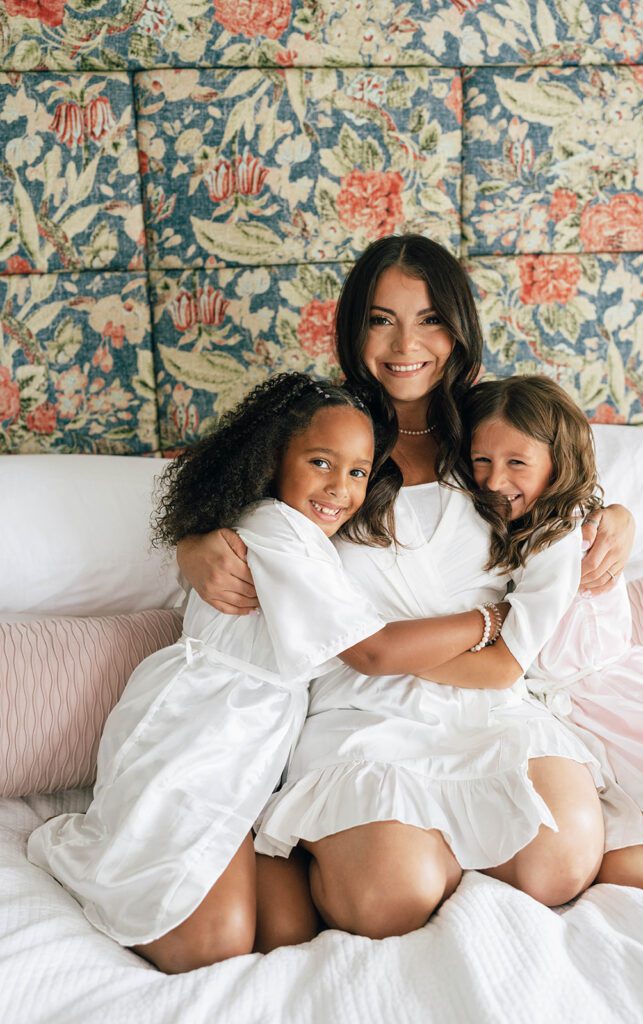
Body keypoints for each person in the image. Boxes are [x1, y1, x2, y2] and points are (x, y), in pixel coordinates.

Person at [181, 235, 637, 940]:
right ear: (352, 328)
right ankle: (318, 851)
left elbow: (567, 493)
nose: (405, 344)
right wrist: (191, 543)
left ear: (459, 327)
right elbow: (214, 496)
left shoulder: (498, 425)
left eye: (428, 319)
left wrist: (620, 518)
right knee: (390, 898)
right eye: (380, 319)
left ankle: (447, 857)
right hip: (362, 706)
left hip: (491, 700)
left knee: (561, 862)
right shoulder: (324, 432)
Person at [27, 372, 505, 974]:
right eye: (321, 462)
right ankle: (79, 849)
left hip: (267, 746)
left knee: (291, 932)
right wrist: (491, 619)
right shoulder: (276, 529)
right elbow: (374, 652)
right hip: (203, 727)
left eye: (358, 472)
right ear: (274, 458)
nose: (340, 488)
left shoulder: (316, 543)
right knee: (209, 947)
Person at [460, 374, 643, 888]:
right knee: (632, 877)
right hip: (566, 725)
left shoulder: (576, 529)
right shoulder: (478, 530)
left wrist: (618, 516)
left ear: (558, 464)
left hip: (627, 705)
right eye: (482, 461)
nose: (495, 481)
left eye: (517, 462)